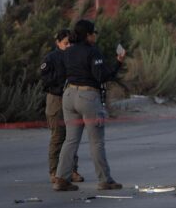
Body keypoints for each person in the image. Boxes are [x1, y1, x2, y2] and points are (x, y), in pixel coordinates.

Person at [52, 19, 125, 192]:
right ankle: (105, 179)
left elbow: (62, 73)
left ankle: (61, 178)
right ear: (88, 35)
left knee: (70, 140)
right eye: (93, 33)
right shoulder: (93, 52)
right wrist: (118, 63)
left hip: (69, 95)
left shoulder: (68, 51)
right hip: (88, 96)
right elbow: (102, 76)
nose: (95, 36)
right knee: (96, 141)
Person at [40, 29, 83, 185]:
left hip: (72, 98)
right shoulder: (51, 58)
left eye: (71, 43)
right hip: (57, 99)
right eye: (65, 43)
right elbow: (45, 80)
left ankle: (71, 170)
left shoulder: (74, 56)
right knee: (58, 137)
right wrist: (60, 85)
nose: (69, 45)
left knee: (72, 136)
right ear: (58, 43)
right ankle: (54, 171)